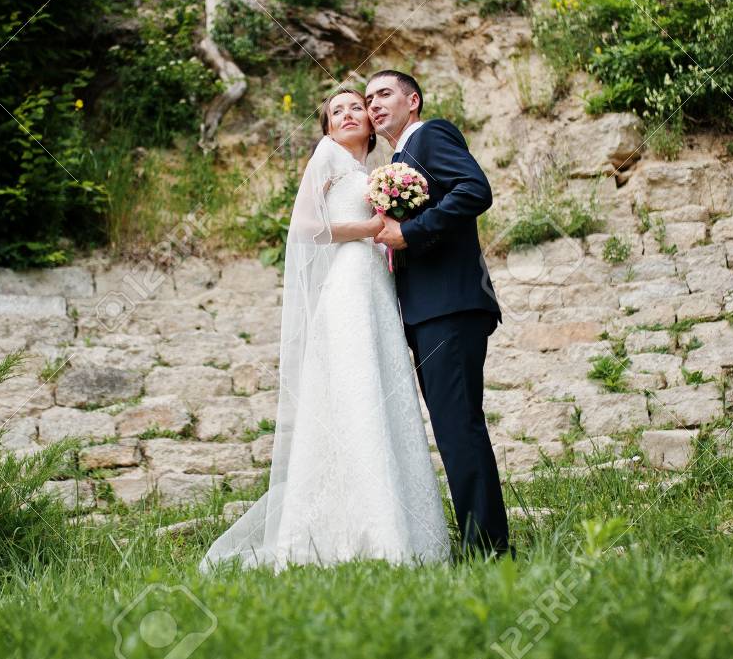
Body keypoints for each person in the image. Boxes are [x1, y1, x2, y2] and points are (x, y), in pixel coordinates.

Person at [200, 87, 450, 571]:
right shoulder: (328, 156)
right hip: (347, 288)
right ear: (328, 127)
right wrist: (372, 228)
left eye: (356, 106)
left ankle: (399, 528)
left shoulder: (377, 172)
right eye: (338, 111)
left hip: (377, 287)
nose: (350, 113)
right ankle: (366, 536)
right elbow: (306, 228)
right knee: (355, 390)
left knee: (382, 390)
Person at [366, 69, 511, 559]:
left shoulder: (431, 134)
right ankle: (481, 543)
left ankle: (488, 551)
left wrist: (411, 232)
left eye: (384, 93)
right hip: (428, 312)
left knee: (458, 426)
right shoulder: (399, 159)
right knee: (454, 426)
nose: (374, 104)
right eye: (368, 99)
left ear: (414, 100)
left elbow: (474, 190)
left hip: (451, 305)